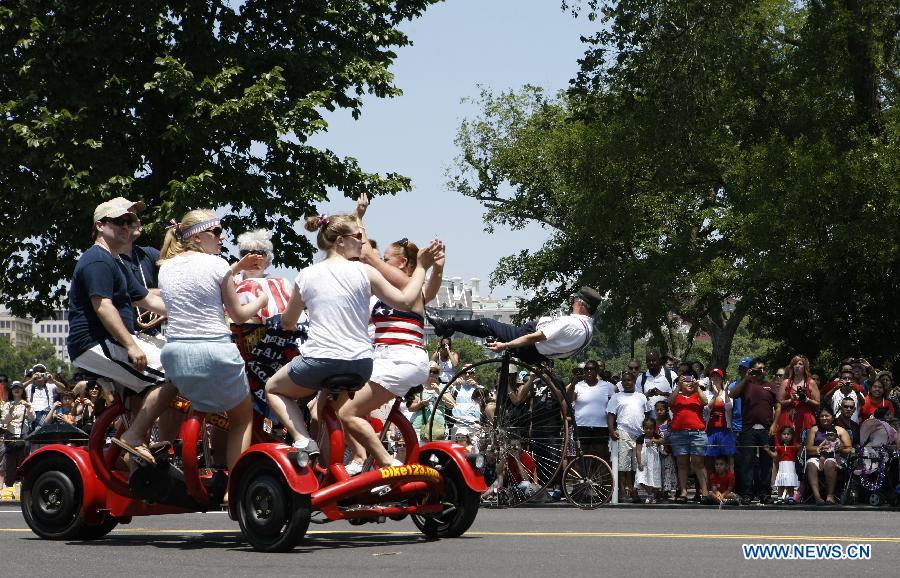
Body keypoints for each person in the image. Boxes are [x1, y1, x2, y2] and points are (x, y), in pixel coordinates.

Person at [264, 211, 441, 459]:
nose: (362, 241)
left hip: (321, 360)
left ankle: (304, 440)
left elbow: (288, 320)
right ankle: (351, 462)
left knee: (273, 388)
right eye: (357, 236)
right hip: (360, 365)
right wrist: (422, 268)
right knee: (331, 410)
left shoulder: (306, 275)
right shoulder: (365, 273)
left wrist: (290, 324)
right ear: (340, 240)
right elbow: (405, 300)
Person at [157, 209, 269, 471]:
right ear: (197, 238)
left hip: (175, 354)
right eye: (216, 232)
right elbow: (240, 315)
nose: (222, 237)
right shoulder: (217, 265)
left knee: (184, 400)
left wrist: (235, 269)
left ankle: (156, 447)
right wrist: (261, 301)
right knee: (243, 418)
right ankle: (234, 485)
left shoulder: (165, 267)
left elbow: (200, 280)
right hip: (215, 352)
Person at [339, 201, 446, 472]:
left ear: (403, 263)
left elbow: (368, 257)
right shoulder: (392, 291)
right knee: (335, 403)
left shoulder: (410, 287)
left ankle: (376, 461)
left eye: (388, 259)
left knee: (347, 412)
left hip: (399, 359)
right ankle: (365, 458)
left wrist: (359, 218)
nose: (382, 262)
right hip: (385, 359)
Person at [67, 198, 174, 465]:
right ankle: (134, 438)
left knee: (141, 391)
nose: (127, 226)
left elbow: (148, 301)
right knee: (174, 372)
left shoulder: (116, 262)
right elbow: (102, 306)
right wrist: (131, 345)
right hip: (95, 342)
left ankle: (134, 455)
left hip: (112, 340)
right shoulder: (97, 260)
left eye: (130, 221)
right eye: (120, 221)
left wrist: (191, 313)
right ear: (100, 226)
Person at [428, 286, 601, 365]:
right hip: (540, 356)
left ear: (582, 304)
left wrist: (506, 345)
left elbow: (537, 336)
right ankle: (449, 327)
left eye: (574, 301)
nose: (572, 304)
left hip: (528, 342)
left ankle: (446, 324)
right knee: (492, 330)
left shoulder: (572, 322)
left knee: (486, 324)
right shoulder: (588, 332)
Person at [729, 358, 780, 505]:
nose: (761, 371)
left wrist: (774, 424)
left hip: (766, 429)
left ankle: (765, 493)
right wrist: (746, 378)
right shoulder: (745, 385)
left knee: (766, 463)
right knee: (747, 462)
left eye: (763, 368)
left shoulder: (770, 386)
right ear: (750, 369)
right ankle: (747, 493)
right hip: (748, 429)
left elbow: (778, 406)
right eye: (758, 369)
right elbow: (732, 395)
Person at [668, 369, 710, 503]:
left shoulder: (698, 395)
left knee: (699, 463)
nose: (689, 382)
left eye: (692, 379)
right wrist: (678, 387)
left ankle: (704, 492)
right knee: (682, 464)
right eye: (686, 380)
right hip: (679, 433)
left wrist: (697, 387)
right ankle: (684, 491)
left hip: (697, 433)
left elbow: (705, 402)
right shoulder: (677, 395)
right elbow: (670, 402)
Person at [607, 372, 648, 503]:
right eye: (624, 381)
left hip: (639, 435)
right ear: (621, 382)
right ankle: (622, 492)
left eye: (630, 380)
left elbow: (647, 414)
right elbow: (611, 415)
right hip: (623, 432)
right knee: (623, 466)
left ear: (634, 381)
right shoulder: (616, 397)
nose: (627, 383)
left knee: (636, 466)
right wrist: (611, 430)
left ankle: (634, 491)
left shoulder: (641, 397)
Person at [804, 406, 852, 505]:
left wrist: (841, 449)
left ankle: (830, 495)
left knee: (830, 462)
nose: (824, 418)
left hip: (836, 458)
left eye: (827, 416)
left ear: (833, 417)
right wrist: (820, 448)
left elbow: (849, 449)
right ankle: (817, 497)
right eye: (822, 416)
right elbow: (808, 449)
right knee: (811, 464)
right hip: (818, 456)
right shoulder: (814, 429)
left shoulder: (840, 430)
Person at [567, 359, 613, 462]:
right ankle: (583, 478)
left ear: (597, 370)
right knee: (581, 458)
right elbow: (568, 399)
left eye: (592, 369)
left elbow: (614, 404)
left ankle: (599, 478)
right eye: (586, 369)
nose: (589, 371)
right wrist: (574, 382)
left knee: (600, 458)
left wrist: (612, 425)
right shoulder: (578, 386)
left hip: (601, 427)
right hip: (581, 427)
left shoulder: (607, 386)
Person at [775, 355, 820, 443]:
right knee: (787, 445)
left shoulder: (811, 382)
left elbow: (818, 404)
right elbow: (779, 403)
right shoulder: (786, 382)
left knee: (804, 444)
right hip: (787, 418)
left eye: (800, 364)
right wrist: (790, 400)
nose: (797, 366)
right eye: (795, 364)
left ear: (805, 367)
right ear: (792, 367)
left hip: (806, 418)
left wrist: (806, 399)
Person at [0, 382, 35, 489]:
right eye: (14, 388)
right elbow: (4, 421)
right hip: (10, 436)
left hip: (23, 435)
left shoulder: (26, 403)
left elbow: (32, 418)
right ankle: (8, 486)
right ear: (11, 391)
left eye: (19, 388)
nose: (16, 390)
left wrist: (28, 408)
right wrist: (10, 412)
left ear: (22, 390)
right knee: (8, 463)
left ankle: (26, 488)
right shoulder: (7, 404)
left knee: (24, 463)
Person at [704, 368, 736, 472]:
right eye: (713, 376)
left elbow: (728, 407)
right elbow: (707, 409)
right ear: (710, 379)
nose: (715, 378)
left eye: (718, 376)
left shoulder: (727, 392)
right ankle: (710, 484)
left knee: (729, 457)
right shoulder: (706, 393)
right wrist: (715, 394)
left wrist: (725, 392)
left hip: (725, 429)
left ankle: (730, 484)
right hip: (710, 429)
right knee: (710, 458)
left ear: (722, 379)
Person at [765, 426, 799, 504]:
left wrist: (800, 447)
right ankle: (780, 498)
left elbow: (800, 453)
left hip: (791, 466)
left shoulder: (794, 446)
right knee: (781, 483)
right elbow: (775, 455)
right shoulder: (779, 446)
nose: (786, 436)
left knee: (790, 483)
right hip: (782, 466)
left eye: (788, 434)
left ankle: (791, 498)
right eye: (784, 434)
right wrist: (768, 451)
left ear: (792, 435)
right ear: (780, 435)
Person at [23, 365, 60, 430]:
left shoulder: (51, 386)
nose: (39, 374)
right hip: (32, 415)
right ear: (33, 374)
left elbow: (64, 390)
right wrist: (31, 380)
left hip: (47, 415)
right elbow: (17, 388)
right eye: (37, 372)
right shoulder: (29, 386)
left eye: (41, 372)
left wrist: (53, 380)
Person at [654, 400, 678, 499]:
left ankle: (667, 489)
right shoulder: (654, 422)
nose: (659, 412)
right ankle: (659, 490)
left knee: (668, 469)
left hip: (667, 450)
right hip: (656, 451)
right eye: (657, 410)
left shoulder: (669, 423)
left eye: (661, 410)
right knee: (658, 470)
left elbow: (670, 436)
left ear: (666, 410)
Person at [634, 416, 662, 503]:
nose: (648, 430)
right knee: (640, 479)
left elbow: (662, 440)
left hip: (654, 463)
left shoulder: (656, 437)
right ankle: (650, 494)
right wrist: (639, 463)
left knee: (655, 479)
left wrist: (654, 440)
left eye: (651, 428)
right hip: (644, 463)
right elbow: (638, 451)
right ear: (643, 428)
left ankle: (652, 496)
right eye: (646, 428)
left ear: (654, 428)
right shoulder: (640, 438)